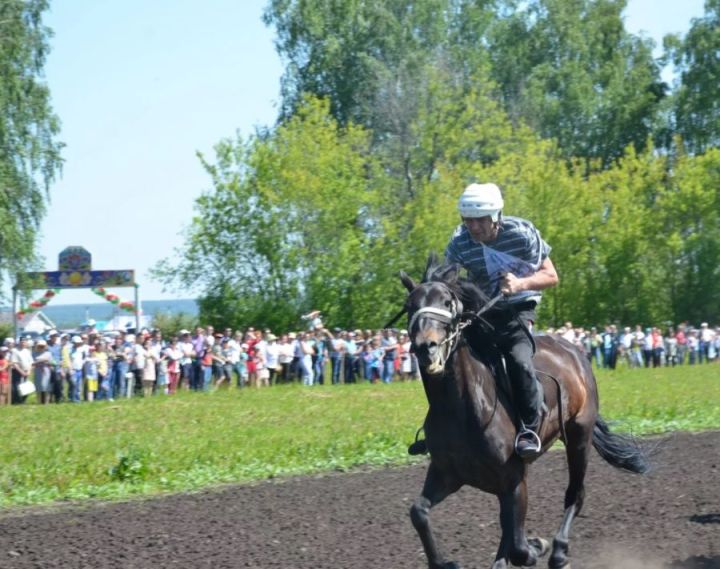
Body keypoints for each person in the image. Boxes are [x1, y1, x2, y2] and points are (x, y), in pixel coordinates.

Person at [413, 182, 559, 459]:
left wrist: (520, 284)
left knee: (517, 359)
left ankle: (529, 428)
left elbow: (551, 276)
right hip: (481, 312)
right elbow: (447, 281)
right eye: (467, 220)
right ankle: (440, 429)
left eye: (480, 220)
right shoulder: (459, 243)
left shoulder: (523, 234)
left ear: (496, 217)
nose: (473, 227)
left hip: (518, 309)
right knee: (450, 359)